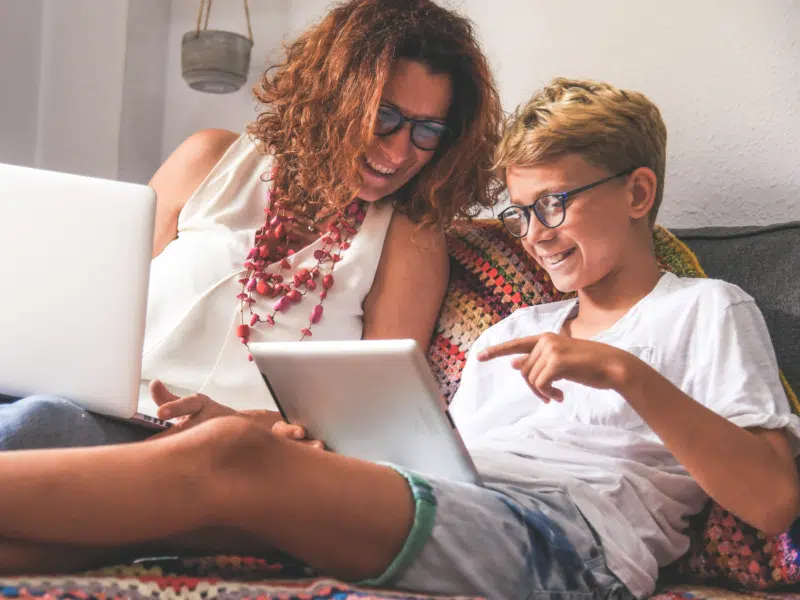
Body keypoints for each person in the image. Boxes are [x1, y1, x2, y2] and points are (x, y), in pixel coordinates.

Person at [1, 78, 798, 599]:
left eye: (554, 205)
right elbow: (419, 464)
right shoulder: (517, 329)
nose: (535, 236)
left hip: (569, 543)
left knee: (230, 467)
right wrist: (261, 425)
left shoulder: (706, 309)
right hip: (459, 500)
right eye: (520, 214)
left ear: (639, 192)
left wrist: (625, 372)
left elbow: (770, 501)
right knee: (87, 522)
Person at [0, 0, 501, 450]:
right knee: (38, 415)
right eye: (383, 116)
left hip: (234, 450)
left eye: (428, 129)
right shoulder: (209, 159)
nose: (398, 151)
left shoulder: (406, 236)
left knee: (38, 425)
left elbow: (378, 425)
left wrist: (254, 425)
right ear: (333, 97)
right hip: (101, 409)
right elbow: (98, 311)